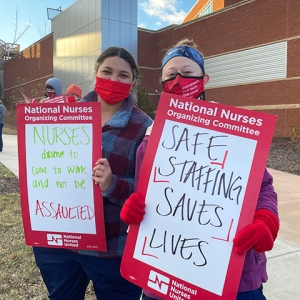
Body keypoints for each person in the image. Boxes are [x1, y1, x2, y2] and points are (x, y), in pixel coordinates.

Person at [120, 38, 279, 300]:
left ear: (204, 80)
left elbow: (262, 186)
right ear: (161, 83)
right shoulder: (149, 138)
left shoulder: (236, 132)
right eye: (171, 75)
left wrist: (265, 220)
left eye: (188, 73)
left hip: (232, 276)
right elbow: (145, 195)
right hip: (167, 272)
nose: (178, 80)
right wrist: (133, 209)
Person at [32, 46, 153, 300]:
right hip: (58, 243)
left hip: (111, 249)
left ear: (133, 82)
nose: (113, 80)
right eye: (107, 71)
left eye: (123, 75)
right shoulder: (61, 113)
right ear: (96, 73)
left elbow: (150, 195)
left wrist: (113, 184)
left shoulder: (144, 127)